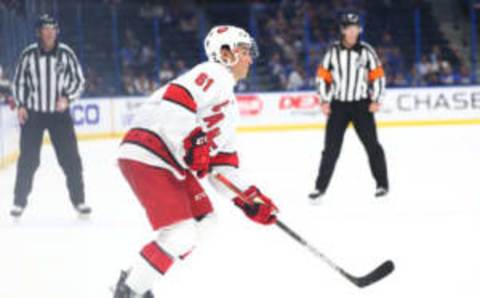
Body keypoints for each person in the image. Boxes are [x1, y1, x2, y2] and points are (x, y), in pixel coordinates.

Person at [113, 25, 279, 297]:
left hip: (168, 161)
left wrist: (249, 199)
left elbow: (222, 169)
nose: (250, 58)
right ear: (226, 53)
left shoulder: (231, 109)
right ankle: (129, 292)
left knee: (205, 223)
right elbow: (176, 98)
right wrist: (192, 139)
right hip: (149, 150)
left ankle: (137, 278)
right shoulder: (214, 72)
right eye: (245, 51)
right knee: (180, 232)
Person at [11, 14, 91, 217]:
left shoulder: (66, 53)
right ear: (39, 32)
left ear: (57, 31)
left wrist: (67, 98)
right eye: (45, 28)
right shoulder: (28, 54)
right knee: (28, 159)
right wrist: (21, 104)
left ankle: (79, 201)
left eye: (52, 28)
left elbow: (79, 80)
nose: (49, 32)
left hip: (59, 115)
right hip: (34, 114)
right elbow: (19, 81)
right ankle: (19, 202)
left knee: (71, 159)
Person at [309, 13, 389, 202]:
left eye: (356, 27)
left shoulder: (367, 51)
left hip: (362, 105)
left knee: (372, 146)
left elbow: (378, 76)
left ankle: (382, 184)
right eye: (349, 28)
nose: (353, 31)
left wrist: (376, 99)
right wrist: (324, 100)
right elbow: (322, 76)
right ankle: (319, 189)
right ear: (343, 30)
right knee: (330, 150)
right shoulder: (333, 52)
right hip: (338, 106)